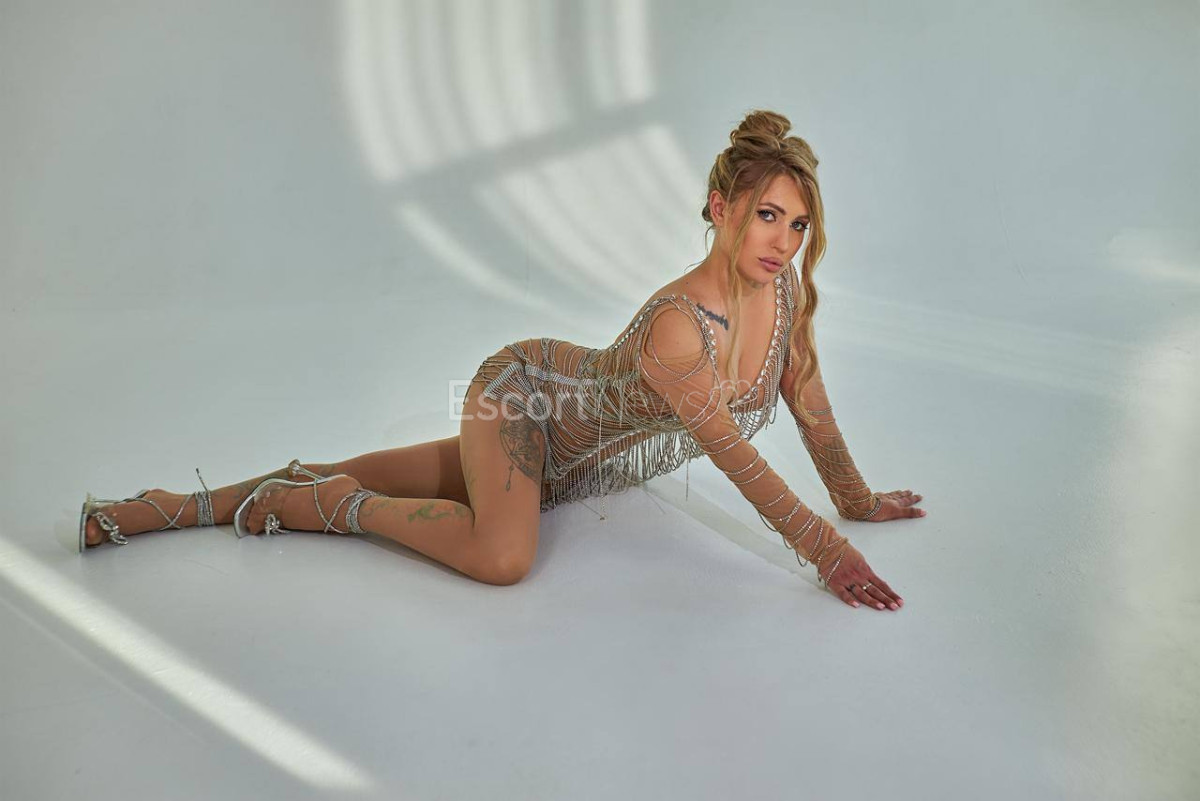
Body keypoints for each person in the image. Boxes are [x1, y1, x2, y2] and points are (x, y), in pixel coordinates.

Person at [78, 109, 924, 610]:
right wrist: (827, 551)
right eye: (768, 215)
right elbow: (737, 457)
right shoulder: (679, 326)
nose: (785, 240)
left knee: (381, 470)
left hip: (564, 455)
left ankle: (158, 509)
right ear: (720, 207)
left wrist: (857, 500)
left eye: (798, 224)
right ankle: (334, 506)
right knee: (502, 557)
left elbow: (810, 403)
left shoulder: (783, 295)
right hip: (521, 399)